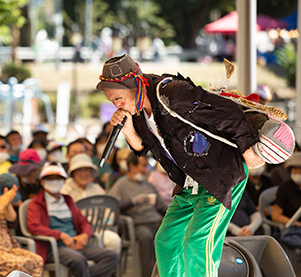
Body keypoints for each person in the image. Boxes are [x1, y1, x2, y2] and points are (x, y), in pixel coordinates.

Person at [97, 54, 264, 276]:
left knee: (197, 242)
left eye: (118, 98)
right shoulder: (137, 109)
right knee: (166, 240)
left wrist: (247, 147)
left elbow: (227, 111)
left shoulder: (172, 93)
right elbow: (141, 148)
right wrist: (127, 130)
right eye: (112, 101)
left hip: (220, 173)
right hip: (189, 180)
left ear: (136, 84)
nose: (117, 104)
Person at [27, 162, 119, 277]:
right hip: (55, 248)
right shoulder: (36, 203)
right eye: (50, 179)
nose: (54, 181)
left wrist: (85, 235)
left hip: (77, 244)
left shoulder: (68, 200)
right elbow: (34, 227)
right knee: (78, 260)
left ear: (64, 180)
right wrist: (60, 235)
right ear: (42, 181)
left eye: (58, 178)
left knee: (112, 255)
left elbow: (84, 222)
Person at [110, 153, 166, 277]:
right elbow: (114, 208)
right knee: (146, 236)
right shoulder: (121, 185)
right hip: (137, 225)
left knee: (171, 233)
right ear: (132, 166)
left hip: (155, 221)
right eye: (144, 166)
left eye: (147, 166)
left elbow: (162, 207)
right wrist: (132, 202)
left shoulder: (149, 185)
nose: (147, 170)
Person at [60, 153, 122, 254]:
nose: (84, 174)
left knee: (114, 240)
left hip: (98, 230)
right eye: (80, 170)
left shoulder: (96, 188)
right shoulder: (65, 191)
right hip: (76, 233)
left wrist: (105, 221)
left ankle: (110, 269)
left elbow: (107, 211)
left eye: (87, 170)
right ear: (73, 172)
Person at [271, 152, 301, 227]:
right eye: (295, 169)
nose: (297, 172)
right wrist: (296, 223)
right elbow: (276, 216)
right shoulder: (284, 188)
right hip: (294, 229)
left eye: (300, 169)